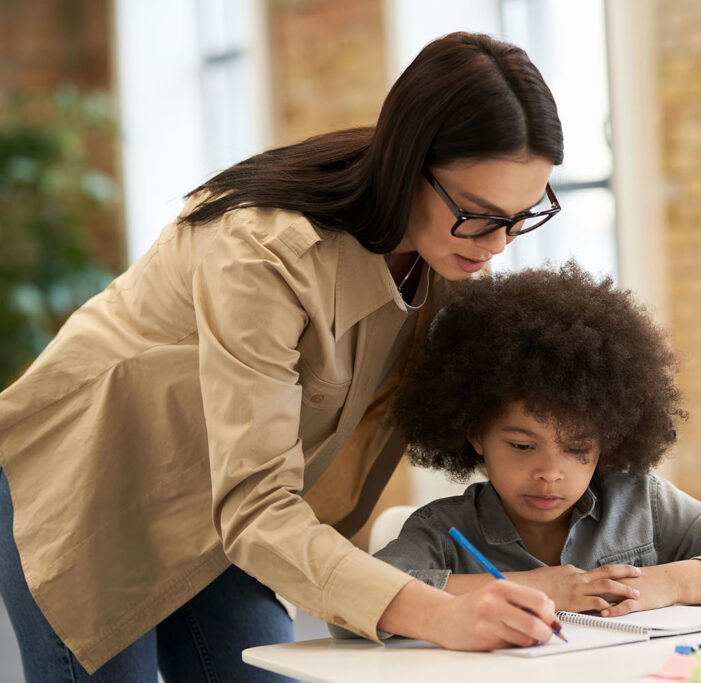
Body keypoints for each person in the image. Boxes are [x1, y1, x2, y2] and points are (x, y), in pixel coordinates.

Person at [0, 31, 567, 681]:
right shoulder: (263, 252)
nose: (498, 244)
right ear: (410, 164)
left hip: (220, 499)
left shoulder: (448, 257)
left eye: (522, 217)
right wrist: (441, 614)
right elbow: (257, 507)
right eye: (478, 214)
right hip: (93, 478)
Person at [330, 262, 701, 640]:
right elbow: (350, 605)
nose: (550, 473)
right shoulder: (446, 531)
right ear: (475, 433)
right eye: (523, 445)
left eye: (578, 449)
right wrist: (536, 588)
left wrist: (672, 582)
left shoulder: (640, 506)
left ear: (609, 439)